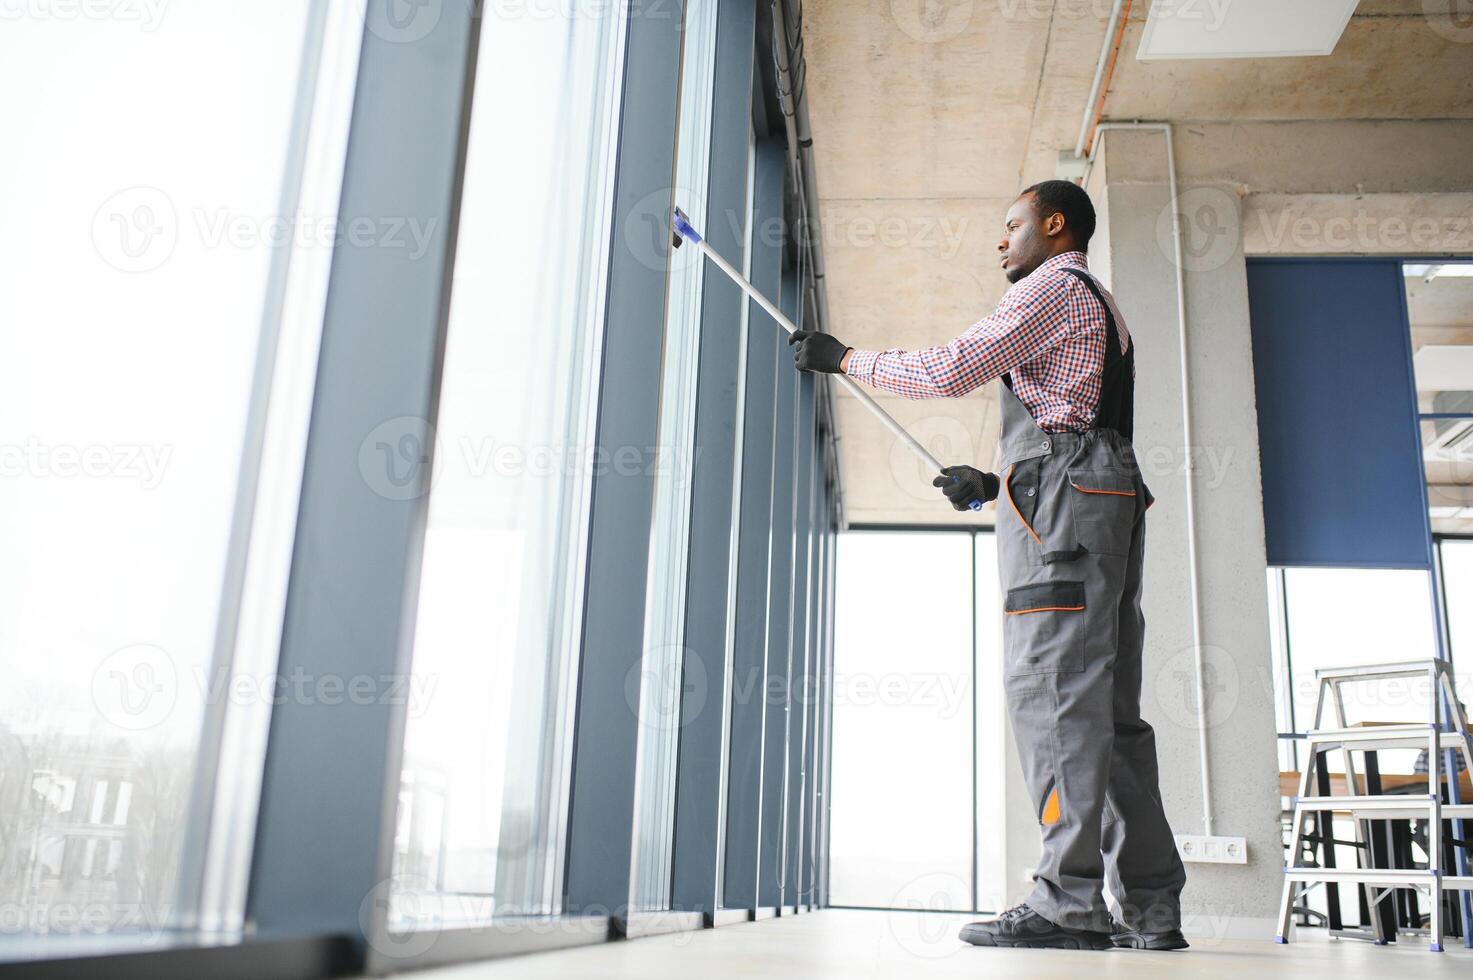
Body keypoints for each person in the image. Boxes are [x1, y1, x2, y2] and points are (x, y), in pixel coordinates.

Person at [790, 180, 1188, 951]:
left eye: (1011, 225)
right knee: (1109, 717)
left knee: (1055, 699)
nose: (1000, 240)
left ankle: (1068, 906)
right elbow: (1075, 416)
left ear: (1054, 223)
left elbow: (950, 368)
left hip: (1069, 501)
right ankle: (1151, 910)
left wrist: (845, 360)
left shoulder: (1051, 287)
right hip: (1093, 498)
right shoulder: (1098, 302)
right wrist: (990, 482)